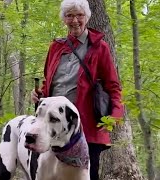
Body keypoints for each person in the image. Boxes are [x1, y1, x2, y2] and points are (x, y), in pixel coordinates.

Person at [31, 0, 124, 179]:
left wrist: (115, 115)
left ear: (87, 17)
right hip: (54, 126)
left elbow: (113, 86)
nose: (75, 20)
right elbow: (49, 82)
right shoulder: (56, 47)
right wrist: (40, 95)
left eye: (79, 15)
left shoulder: (99, 48)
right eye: (69, 15)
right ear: (64, 19)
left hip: (86, 127)